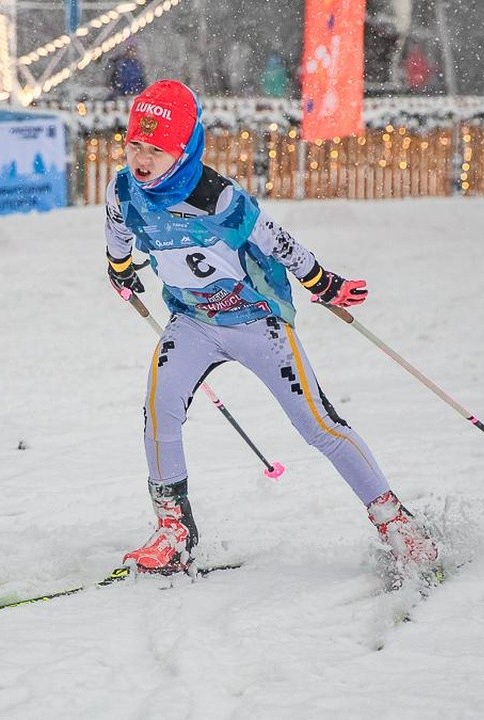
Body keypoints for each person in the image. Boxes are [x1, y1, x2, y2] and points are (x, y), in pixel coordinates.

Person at [104, 79, 438, 575]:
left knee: (318, 426)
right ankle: (174, 528)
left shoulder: (217, 199)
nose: (141, 160)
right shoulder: (125, 189)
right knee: (159, 410)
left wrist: (321, 282)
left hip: (257, 323)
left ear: (185, 149)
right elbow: (117, 228)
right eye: (134, 145)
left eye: (156, 149)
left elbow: (278, 241)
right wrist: (120, 267)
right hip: (192, 323)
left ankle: (395, 521)